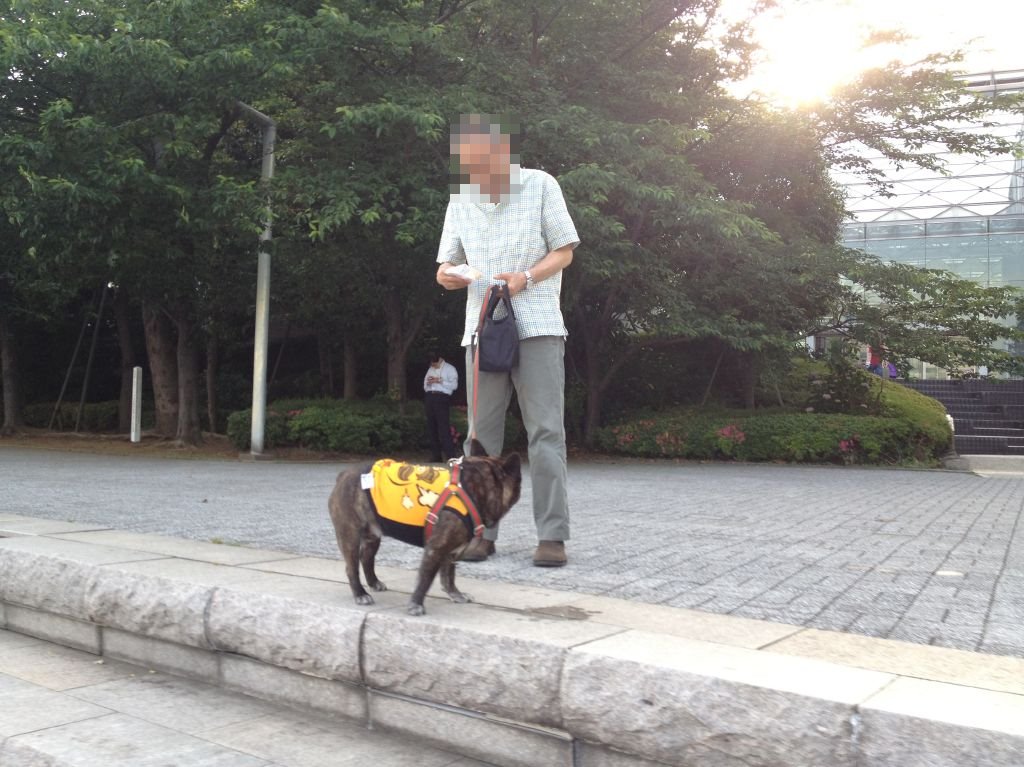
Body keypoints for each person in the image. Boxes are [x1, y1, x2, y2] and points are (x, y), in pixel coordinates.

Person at [435, 113, 580, 568]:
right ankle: (480, 532)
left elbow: (565, 251)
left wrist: (526, 277)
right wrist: (448, 276)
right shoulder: (460, 198)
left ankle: (552, 536)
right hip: (481, 327)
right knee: (479, 437)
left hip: (537, 323)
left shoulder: (540, 184)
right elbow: (444, 265)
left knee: (546, 432)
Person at [423, 353, 459, 462]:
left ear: (439, 360)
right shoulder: (430, 369)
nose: (433, 366)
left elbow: (454, 386)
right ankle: (436, 456)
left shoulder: (450, 369)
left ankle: (451, 456)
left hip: (442, 398)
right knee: (431, 427)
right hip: (430, 397)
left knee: (443, 428)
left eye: (434, 364)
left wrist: (440, 381)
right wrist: (429, 383)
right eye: (431, 364)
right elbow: (425, 385)